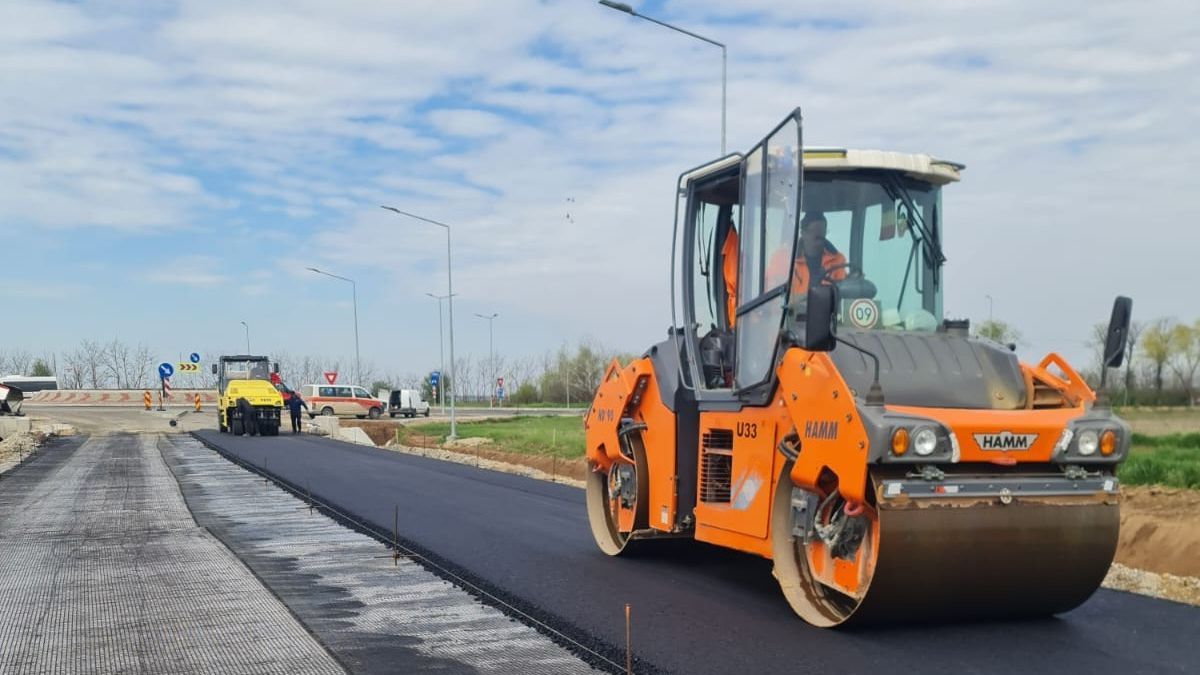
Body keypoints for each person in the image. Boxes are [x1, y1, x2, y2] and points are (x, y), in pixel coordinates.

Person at [790, 211, 847, 295]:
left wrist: (852, 280)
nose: (820, 242)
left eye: (822, 237)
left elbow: (843, 293)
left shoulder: (838, 260)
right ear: (803, 234)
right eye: (817, 238)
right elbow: (774, 300)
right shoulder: (785, 259)